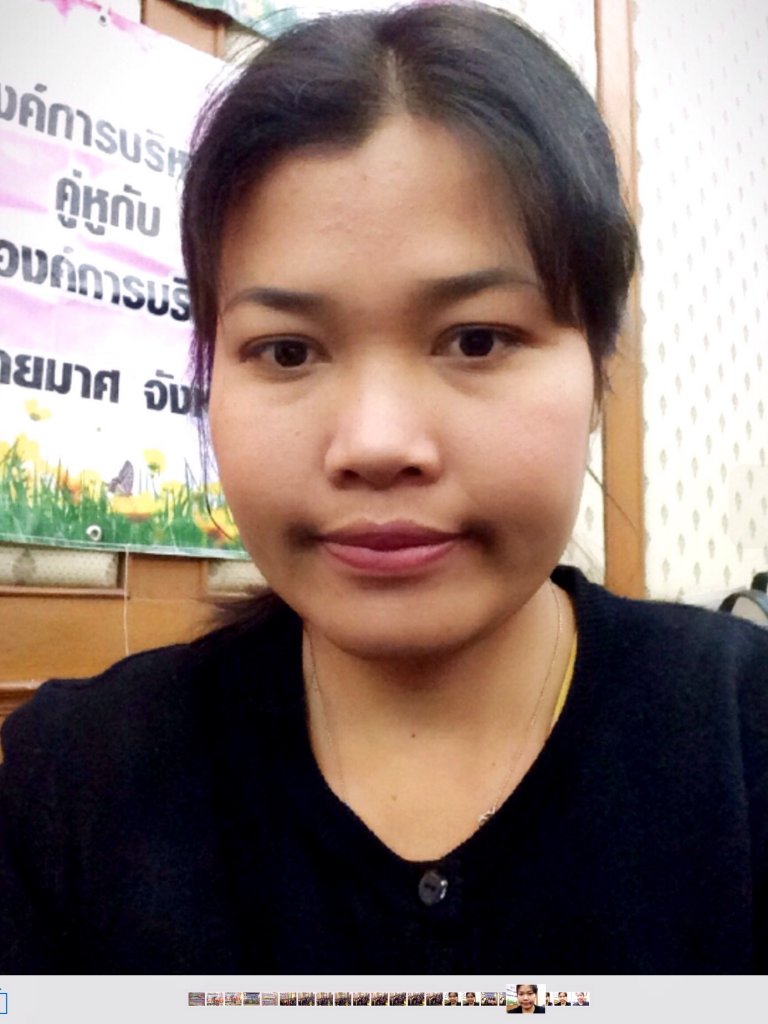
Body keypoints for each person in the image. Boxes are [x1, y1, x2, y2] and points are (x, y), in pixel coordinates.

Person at [0, 0, 766, 975]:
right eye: (287, 350)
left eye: (476, 339)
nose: (375, 444)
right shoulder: (74, 784)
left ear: (599, 368)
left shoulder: (744, 737)